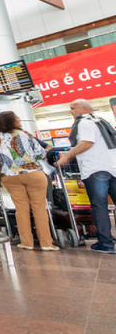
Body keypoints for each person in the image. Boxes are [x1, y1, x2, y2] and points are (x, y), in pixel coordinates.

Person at [0, 111, 58, 251]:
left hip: (10, 176)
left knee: (21, 209)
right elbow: (40, 153)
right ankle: (46, 243)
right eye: (16, 118)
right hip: (33, 173)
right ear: (11, 122)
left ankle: (26, 242)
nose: (19, 119)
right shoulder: (25, 134)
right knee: (39, 207)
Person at [57, 99, 116, 253]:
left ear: (83, 109)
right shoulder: (102, 121)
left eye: (73, 108)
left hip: (95, 169)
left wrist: (67, 155)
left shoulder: (84, 122)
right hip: (113, 167)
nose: (71, 111)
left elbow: (87, 143)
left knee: (99, 207)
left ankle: (106, 243)